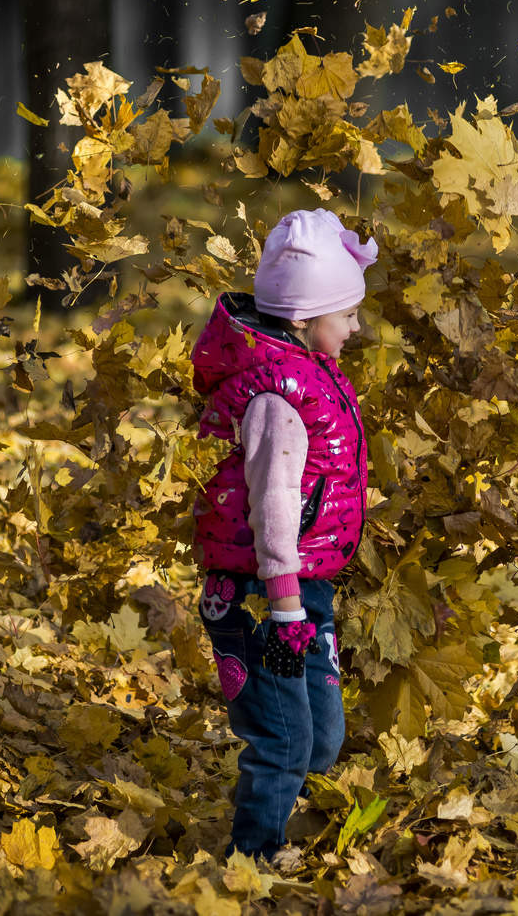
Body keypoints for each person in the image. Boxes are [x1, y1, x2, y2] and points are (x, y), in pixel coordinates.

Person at [187, 208, 376, 862]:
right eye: (347, 314)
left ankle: (280, 832)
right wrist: (287, 606)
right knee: (286, 741)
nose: (355, 327)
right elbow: (273, 505)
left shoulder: (309, 375)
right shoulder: (277, 401)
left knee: (322, 740)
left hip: (304, 592)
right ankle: (252, 861)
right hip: (263, 599)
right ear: (305, 317)